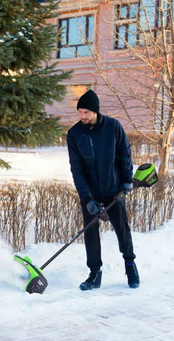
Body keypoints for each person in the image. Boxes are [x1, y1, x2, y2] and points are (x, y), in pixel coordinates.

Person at [67, 90, 139, 291]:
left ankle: (130, 265)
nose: (82, 116)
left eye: (86, 112)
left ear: (96, 111)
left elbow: (124, 153)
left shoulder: (113, 127)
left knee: (122, 229)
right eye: (80, 112)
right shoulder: (74, 134)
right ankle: (94, 273)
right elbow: (77, 169)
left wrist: (126, 181)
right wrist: (87, 199)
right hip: (90, 192)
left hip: (113, 189)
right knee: (90, 232)